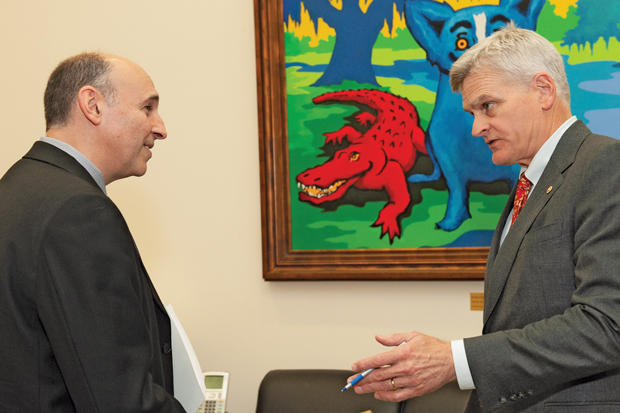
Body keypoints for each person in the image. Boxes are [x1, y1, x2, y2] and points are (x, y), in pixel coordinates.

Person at [348, 24, 620, 412]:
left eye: (488, 106)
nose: (477, 128)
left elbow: (608, 325)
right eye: (472, 112)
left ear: (543, 90)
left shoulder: (606, 165)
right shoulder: (528, 182)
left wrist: (454, 361)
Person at [0, 53, 186, 412]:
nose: (160, 127)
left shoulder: (16, 191)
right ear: (93, 105)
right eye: (148, 108)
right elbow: (120, 400)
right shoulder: (78, 212)